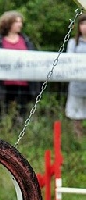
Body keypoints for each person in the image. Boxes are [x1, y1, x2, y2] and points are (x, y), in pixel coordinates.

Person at [0, 10, 40, 119]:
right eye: (16, 22)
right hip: (3, 84)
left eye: (20, 22)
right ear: (8, 23)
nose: (19, 24)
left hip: (23, 83)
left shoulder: (26, 40)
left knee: (21, 114)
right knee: (3, 114)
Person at [65, 13, 86, 141]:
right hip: (77, 85)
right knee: (76, 113)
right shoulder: (74, 43)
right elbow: (69, 61)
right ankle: (79, 139)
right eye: (83, 24)